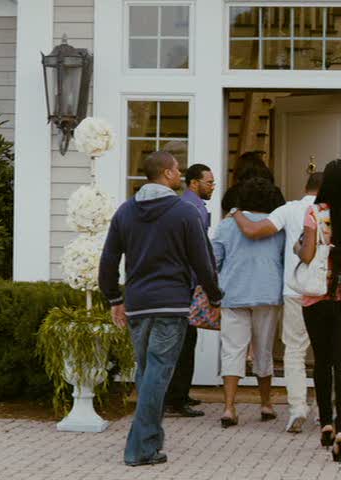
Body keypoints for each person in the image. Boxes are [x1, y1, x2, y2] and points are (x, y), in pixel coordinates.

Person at [99, 151, 222, 467]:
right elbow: (202, 260)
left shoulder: (126, 211)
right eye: (178, 170)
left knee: (146, 371)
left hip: (138, 304)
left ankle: (143, 443)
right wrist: (215, 296)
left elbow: (109, 259)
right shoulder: (183, 212)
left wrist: (114, 298)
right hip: (170, 303)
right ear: (166, 173)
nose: (180, 174)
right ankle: (140, 448)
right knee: (157, 372)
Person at [230, 171, 324, 433]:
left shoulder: (290, 209)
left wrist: (236, 211)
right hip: (326, 291)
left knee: (294, 351)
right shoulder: (334, 211)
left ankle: (297, 409)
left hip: (295, 290)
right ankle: (324, 410)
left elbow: (252, 230)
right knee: (326, 352)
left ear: (305, 187)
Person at [294, 159, 341, 463]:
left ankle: (325, 422)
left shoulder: (314, 213)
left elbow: (309, 254)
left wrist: (298, 248)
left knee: (322, 362)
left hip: (318, 299)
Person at [213, 178, 285, 427]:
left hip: (233, 292)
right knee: (263, 350)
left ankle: (229, 408)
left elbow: (215, 260)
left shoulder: (227, 225)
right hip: (267, 291)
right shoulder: (276, 226)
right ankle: (265, 404)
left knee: (232, 349)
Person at [165, 164, 215, 417]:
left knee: (186, 340)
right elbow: (197, 250)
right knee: (185, 342)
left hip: (185, 282)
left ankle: (180, 393)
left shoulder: (190, 206)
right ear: (194, 183)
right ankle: (176, 398)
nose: (212, 187)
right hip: (187, 284)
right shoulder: (193, 209)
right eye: (209, 183)